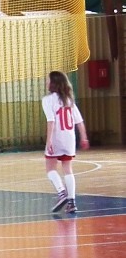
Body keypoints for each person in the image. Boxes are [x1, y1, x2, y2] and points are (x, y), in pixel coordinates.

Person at [43, 71, 90, 214]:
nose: (46, 82)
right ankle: (72, 202)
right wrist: (84, 138)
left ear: (53, 83)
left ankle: (61, 192)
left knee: (50, 169)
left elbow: (51, 121)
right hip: (69, 138)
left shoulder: (48, 100)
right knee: (68, 169)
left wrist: (49, 141)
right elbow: (79, 122)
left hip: (56, 137)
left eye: (47, 80)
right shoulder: (69, 100)